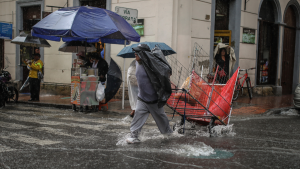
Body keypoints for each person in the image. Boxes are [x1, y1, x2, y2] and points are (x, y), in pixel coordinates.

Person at [126, 44, 173, 144]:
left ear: (144, 54)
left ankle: (169, 134)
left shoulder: (152, 65)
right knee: (137, 115)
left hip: (154, 100)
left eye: (138, 52)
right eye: (135, 51)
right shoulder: (137, 62)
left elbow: (165, 72)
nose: (135, 53)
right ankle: (134, 136)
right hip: (142, 98)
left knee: (162, 119)